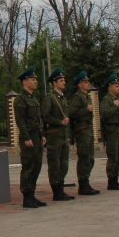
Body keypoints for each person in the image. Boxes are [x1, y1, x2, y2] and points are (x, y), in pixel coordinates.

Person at [13, 67, 47, 209]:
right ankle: (27, 197)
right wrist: (26, 137)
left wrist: (42, 135)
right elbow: (20, 121)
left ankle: (32, 195)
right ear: (25, 81)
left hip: (37, 136)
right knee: (28, 166)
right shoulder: (20, 100)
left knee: (37, 165)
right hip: (29, 137)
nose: (36, 81)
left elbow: (38, 119)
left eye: (36, 79)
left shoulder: (33, 99)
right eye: (33, 79)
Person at [41, 67, 74, 201]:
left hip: (63, 136)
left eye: (64, 80)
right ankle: (57, 191)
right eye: (61, 80)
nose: (63, 82)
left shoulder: (62, 98)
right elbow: (45, 116)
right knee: (55, 164)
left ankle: (61, 188)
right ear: (54, 83)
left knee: (64, 163)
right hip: (54, 136)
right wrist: (59, 122)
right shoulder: (50, 98)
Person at [66, 71, 100, 196]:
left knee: (90, 158)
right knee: (84, 157)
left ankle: (86, 181)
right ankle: (83, 183)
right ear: (80, 84)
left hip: (88, 129)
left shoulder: (87, 96)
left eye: (88, 82)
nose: (88, 84)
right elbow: (71, 113)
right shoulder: (77, 97)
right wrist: (86, 109)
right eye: (85, 82)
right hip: (81, 130)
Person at [100, 74, 119, 190]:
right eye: (116, 86)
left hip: (117, 132)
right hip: (111, 132)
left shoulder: (116, 100)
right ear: (110, 87)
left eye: (118, 86)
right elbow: (105, 115)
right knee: (112, 157)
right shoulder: (106, 100)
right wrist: (114, 106)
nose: (118, 88)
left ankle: (116, 179)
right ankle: (111, 181)